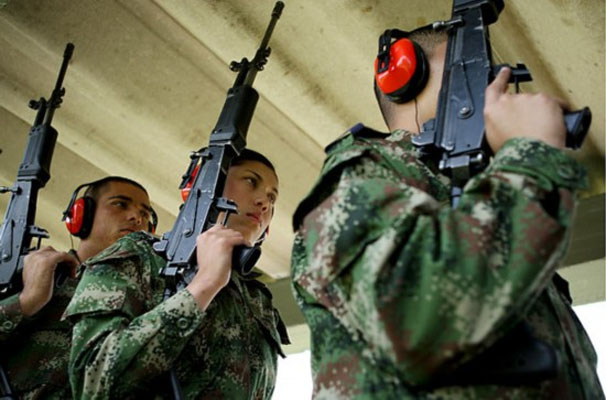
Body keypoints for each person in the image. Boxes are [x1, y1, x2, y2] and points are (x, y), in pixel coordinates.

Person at [290, 25, 604, 399]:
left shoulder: (496, 195)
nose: (495, 88)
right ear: (403, 75)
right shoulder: (364, 171)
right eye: (474, 69)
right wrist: (531, 155)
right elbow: (424, 317)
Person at [65, 149, 290, 399]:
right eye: (251, 181)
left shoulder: (256, 297)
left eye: (272, 197)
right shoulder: (141, 256)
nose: (264, 201)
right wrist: (203, 286)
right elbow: (93, 384)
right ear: (207, 183)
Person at [0, 176, 156, 399]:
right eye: (120, 204)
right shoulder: (33, 273)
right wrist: (27, 300)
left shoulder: (150, 297)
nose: (136, 218)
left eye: (145, 214)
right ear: (81, 215)